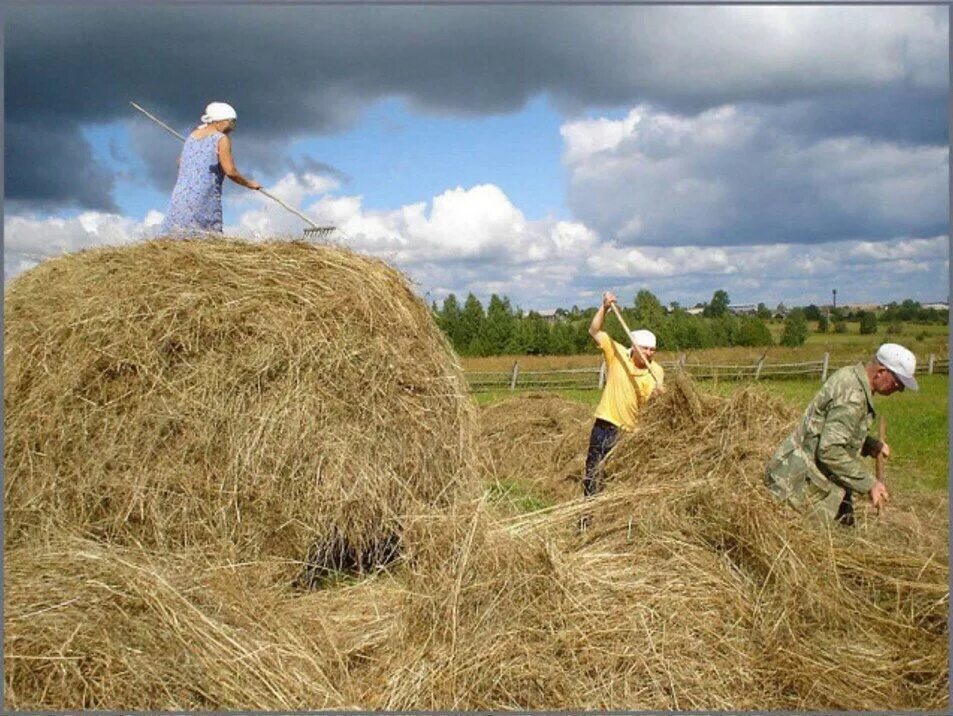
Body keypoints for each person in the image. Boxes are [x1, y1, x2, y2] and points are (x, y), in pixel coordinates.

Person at [764, 343, 918, 526]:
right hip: (799, 487)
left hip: (805, 476)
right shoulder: (853, 397)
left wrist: (870, 445)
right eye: (898, 383)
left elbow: (836, 430)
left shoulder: (851, 375)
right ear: (881, 372)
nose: (899, 389)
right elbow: (830, 450)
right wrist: (870, 483)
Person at [583, 291, 665, 504]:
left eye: (652, 350)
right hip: (605, 425)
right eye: (645, 348)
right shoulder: (616, 353)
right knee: (593, 473)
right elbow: (594, 330)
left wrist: (660, 393)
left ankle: (611, 516)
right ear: (634, 346)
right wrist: (605, 308)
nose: (649, 353)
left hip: (629, 434)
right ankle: (587, 517)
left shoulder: (656, 372)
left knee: (618, 479)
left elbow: (653, 406)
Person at [159, 101, 261, 235]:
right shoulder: (221, 139)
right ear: (220, 121)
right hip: (203, 196)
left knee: (177, 235)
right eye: (231, 123)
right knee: (204, 237)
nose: (233, 129)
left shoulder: (192, 136)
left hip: (180, 195)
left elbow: (180, 162)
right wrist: (249, 184)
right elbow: (230, 171)